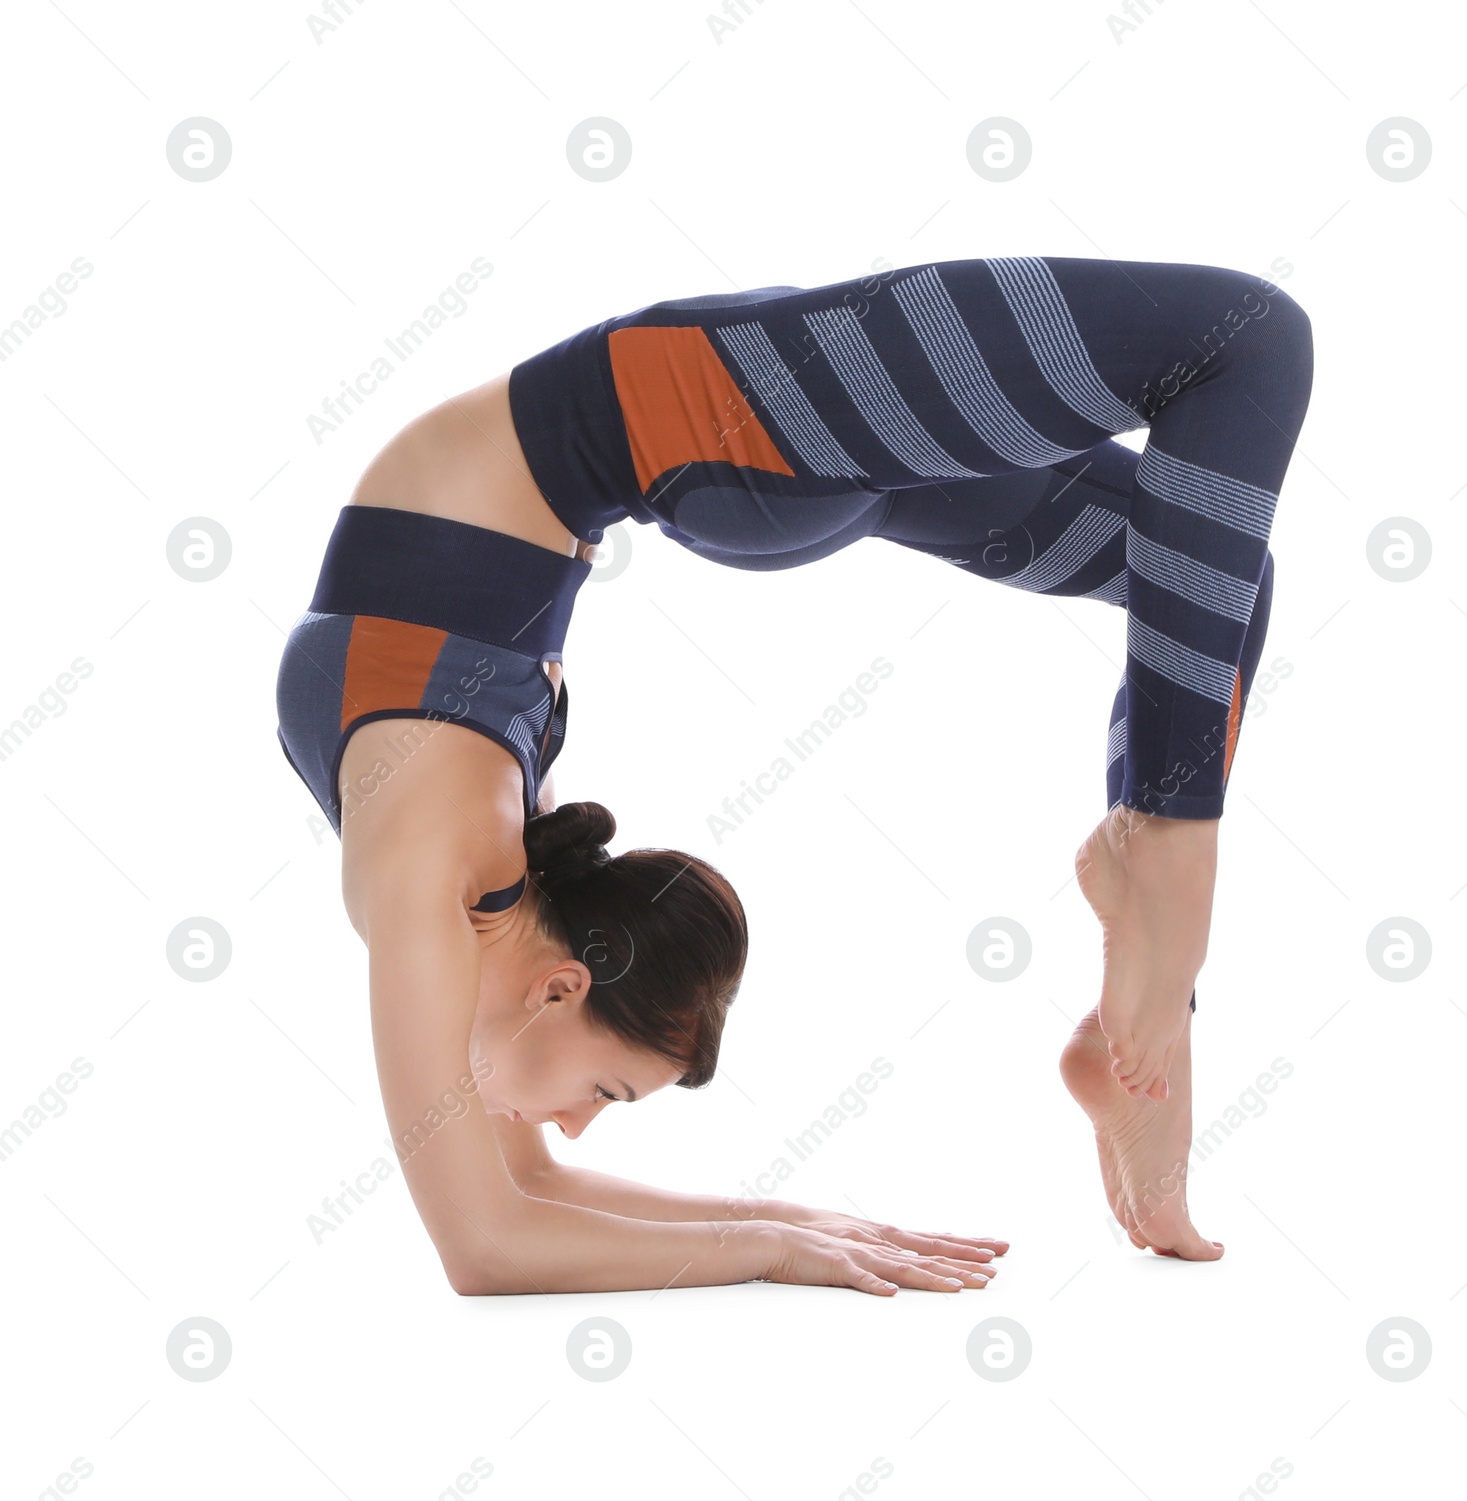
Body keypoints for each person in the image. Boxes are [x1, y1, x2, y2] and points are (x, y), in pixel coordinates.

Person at [275, 253, 1313, 1287]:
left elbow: (485, 1246)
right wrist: (781, 1229)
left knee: (1242, 373)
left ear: (562, 989)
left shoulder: (426, 878)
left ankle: (1163, 879)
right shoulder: (495, 878)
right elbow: (517, 1197)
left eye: (604, 1094)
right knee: (1207, 557)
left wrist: (768, 1235)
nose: (574, 1129)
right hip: (727, 450)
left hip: (699, 408)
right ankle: (1159, 1015)